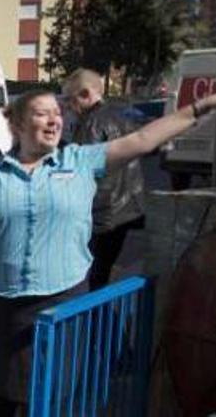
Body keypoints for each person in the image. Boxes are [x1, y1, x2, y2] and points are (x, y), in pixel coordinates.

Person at [0, 87, 216, 416]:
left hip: (62, 300)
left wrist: (204, 105)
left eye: (58, 114)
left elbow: (143, 140)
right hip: (1, 303)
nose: (54, 120)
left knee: (54, 392)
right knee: (1, 389)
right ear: (18, 125)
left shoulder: (80, 160)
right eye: (41, 113)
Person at [63, 69, 145, 289]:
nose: (70, 107)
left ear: (85, 94)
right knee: (102, 271)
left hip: (102, 212)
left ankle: (96, 321)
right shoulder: (120, 117)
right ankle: (105, 318)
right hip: (127, 208)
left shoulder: (91, 123)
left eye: (71, 100)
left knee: (91, 276)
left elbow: (85, 171)